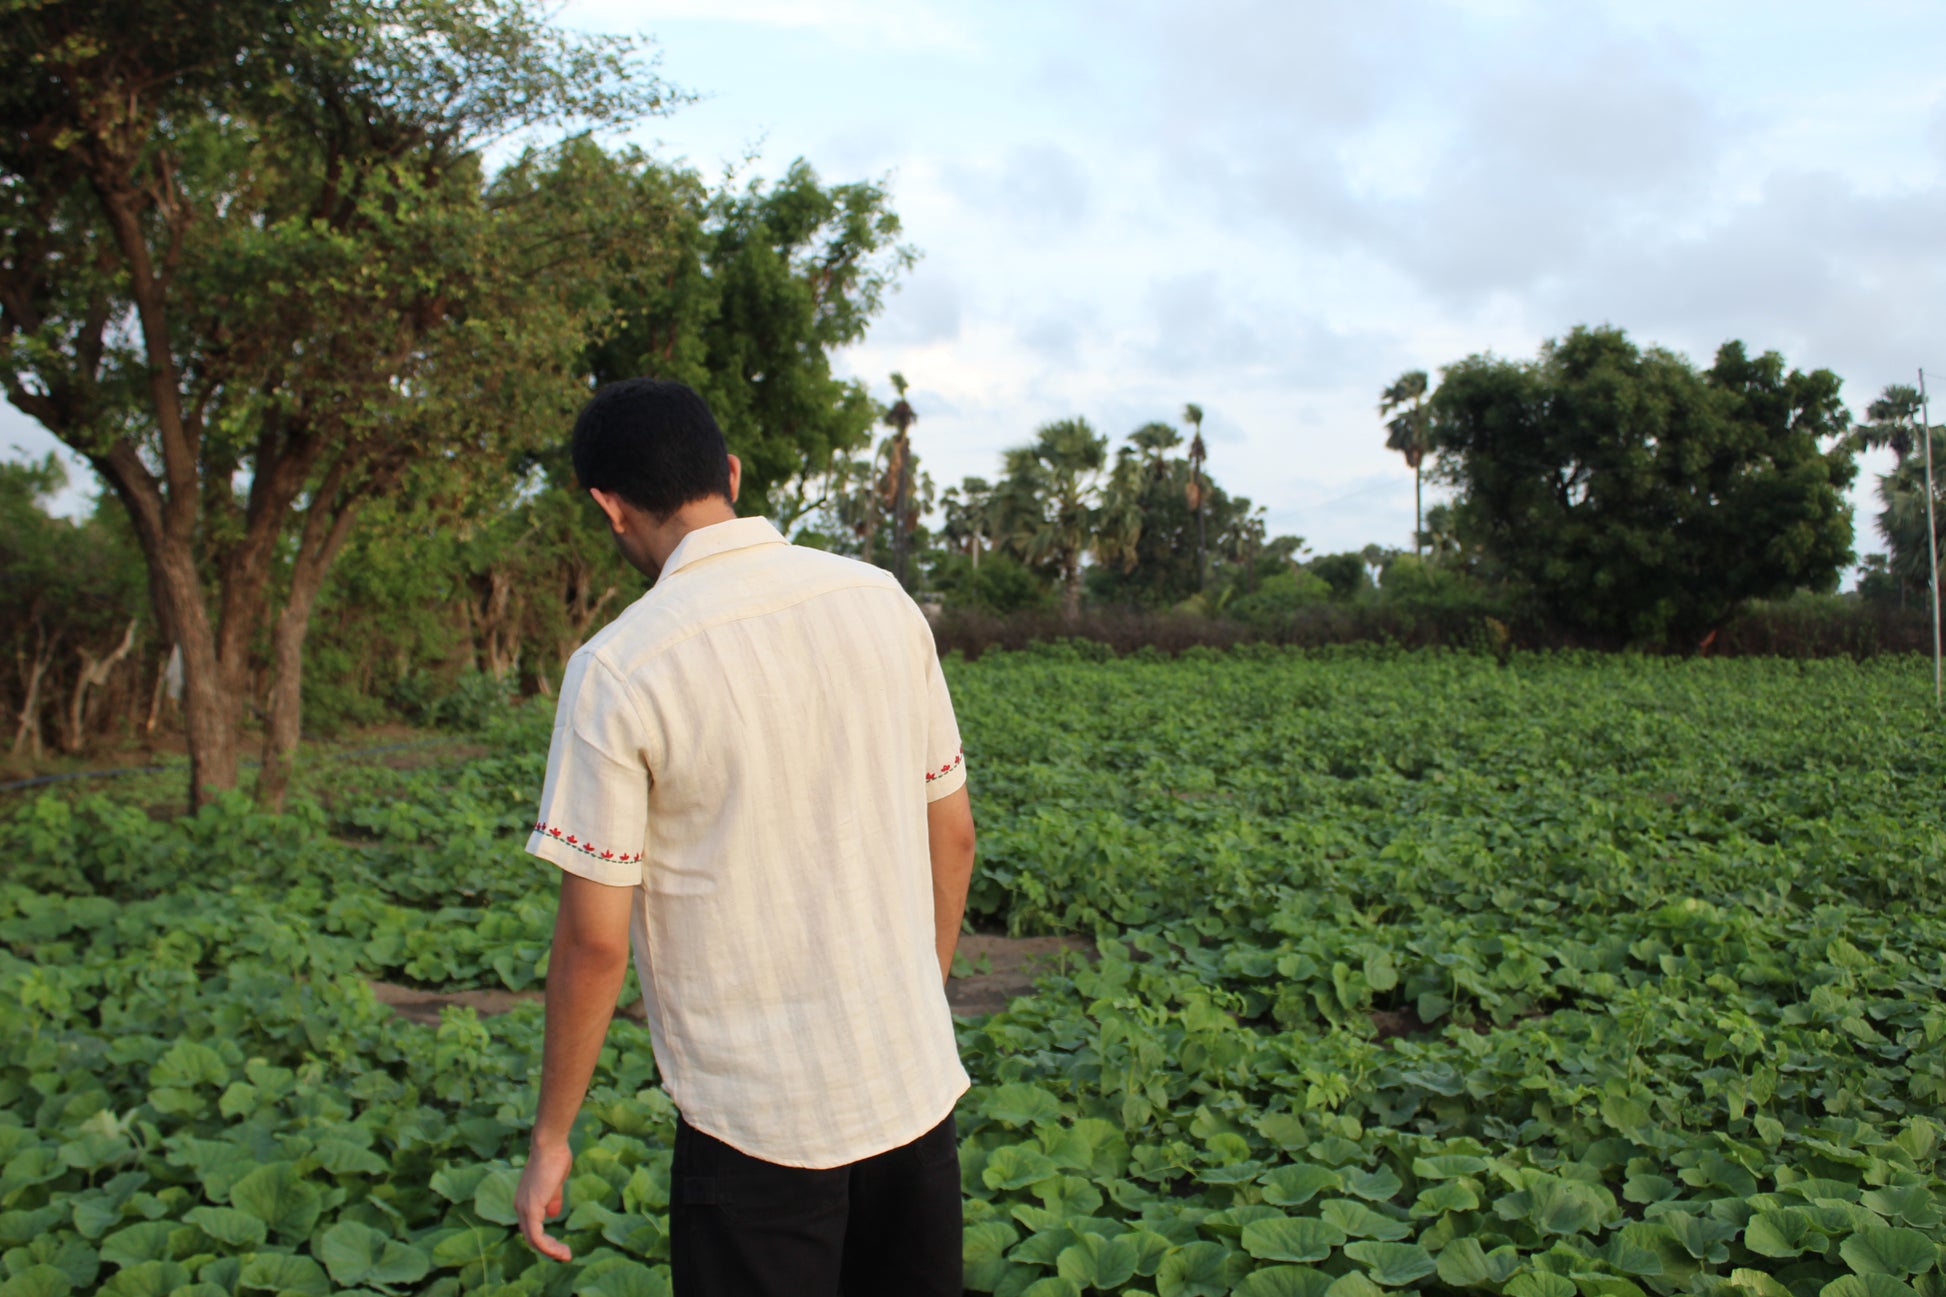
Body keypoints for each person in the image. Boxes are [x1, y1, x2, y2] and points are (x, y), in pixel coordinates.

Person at [511, 378, 976, 1297]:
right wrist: (909, 1007)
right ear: (730, 470)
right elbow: (953, 837)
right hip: (912, 1087)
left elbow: (597, 939)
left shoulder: (619, 666)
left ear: (609, 506)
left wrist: (551, 1137)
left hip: (756, 1124)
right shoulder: (881, 600)